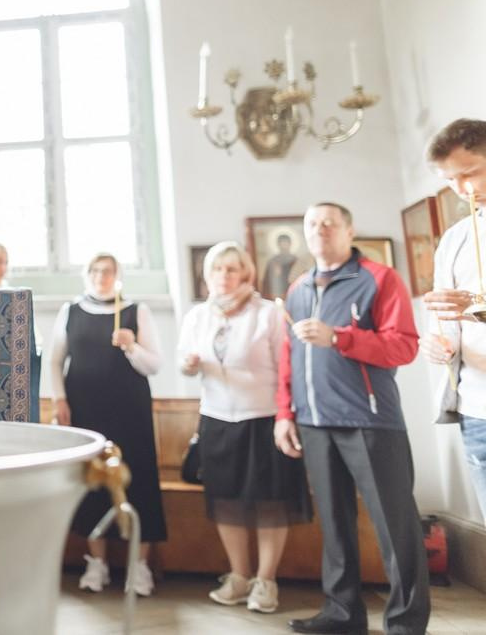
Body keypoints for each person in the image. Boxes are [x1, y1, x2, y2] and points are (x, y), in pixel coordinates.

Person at [275, 202, 429, 635]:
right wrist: (285, 414)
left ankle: (406, 624)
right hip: (313, 424)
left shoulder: (381, 279)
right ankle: (342, 615)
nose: (319, 229)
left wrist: (340, 337)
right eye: (311, 223)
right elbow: (289, 357)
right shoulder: (298, 289)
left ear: (349, 230)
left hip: (371, 422)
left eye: (329, 222)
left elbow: (403, 346)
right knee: (336, 526)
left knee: (395, 528)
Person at [178, 242, 312, 614]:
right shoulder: (197, 317)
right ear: (207, 276)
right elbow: (183, 363)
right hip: (217, 419)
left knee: (270, 503)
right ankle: (238, 575)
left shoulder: (266, 313)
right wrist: (188, 364)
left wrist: (287, 416)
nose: (224, 277)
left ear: (246, 274)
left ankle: (265, 581)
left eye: (231, 269)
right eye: (217, 270)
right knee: (227, 503)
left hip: (264, 418)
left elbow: (287, 366)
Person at [49, 252, 166, 597]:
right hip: (85, 411)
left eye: (108, 271)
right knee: (91, 483)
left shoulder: (135, 311)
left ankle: (139, 567)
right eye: (95, 270)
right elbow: (56, 361)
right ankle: (95, 563)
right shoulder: (70, 310)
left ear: (118, 276)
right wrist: (59, 400)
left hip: (130, 412)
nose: (101, 276)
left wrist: (132, 347)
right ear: (87, 274)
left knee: (138, 481)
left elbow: (154, 365)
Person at [422, 118, 486, 519]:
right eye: (450, 180)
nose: (463, 189)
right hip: (477, 407)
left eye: (471, 173)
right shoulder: (455, 238)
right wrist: (437, 342)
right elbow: (446, 317)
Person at [263, 233, 301, 299]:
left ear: (290, 244)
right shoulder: (273, 262)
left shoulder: (296, 261)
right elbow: (266, 284)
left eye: (286, 243)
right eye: (282, 243)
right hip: (277, 298)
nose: (284, 245)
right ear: (278, 245)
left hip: (295, 296)